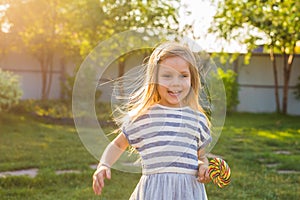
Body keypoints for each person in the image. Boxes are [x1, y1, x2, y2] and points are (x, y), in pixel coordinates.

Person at [92, 41, 212, 200]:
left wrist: (204, 167)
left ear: (192, 79)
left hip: (188, 192)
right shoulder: (144, 117)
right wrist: (104, 164)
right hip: (154, 193)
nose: (175, 82)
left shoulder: (197, 119)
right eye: (167, 75)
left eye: (183, 75)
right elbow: (118, 144)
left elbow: (201, 156)